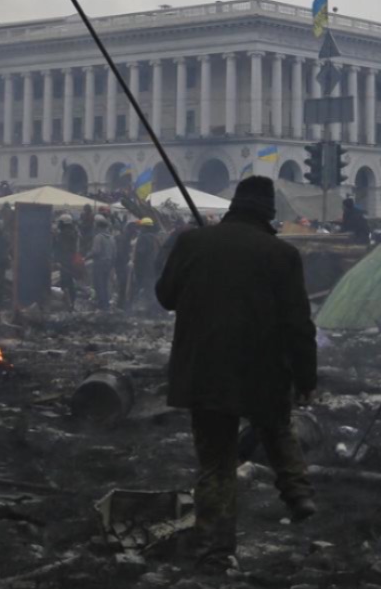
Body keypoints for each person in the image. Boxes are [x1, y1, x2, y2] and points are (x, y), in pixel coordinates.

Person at [155, 176, 318, 567]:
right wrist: (306, 378)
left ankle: (215, 548)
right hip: (262, 367)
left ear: (233, 205)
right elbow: (298, 325)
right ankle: (299, 495)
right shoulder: (281, 255)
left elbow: (166, 297)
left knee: (216, 462)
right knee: (276, 426)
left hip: (206, 367)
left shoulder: (193, 242)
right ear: (269, 213)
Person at [128, 218, 159, 313]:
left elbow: (140, 254)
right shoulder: (155, 238)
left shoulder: (143, 238)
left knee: (147, 289)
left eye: (141, 227)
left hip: (145, 268)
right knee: (151, 289)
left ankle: (151, 311)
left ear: (144, 227)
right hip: (154, 268)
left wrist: (137, 268)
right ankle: (155, 310)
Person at [52, 214, 81, 309]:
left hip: (65, 262)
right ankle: (71, 302)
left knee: (66, 283)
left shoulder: (64, 234)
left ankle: (68, 304)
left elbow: (61, 249)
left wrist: (57, 260)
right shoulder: (73, 233)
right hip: (70, 261)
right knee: (69, 282)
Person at [88, 221, 118, 311]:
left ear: (99, 227)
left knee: (98, 284)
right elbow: (114, 254)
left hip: (99, 264)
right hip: (108, 264)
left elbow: (96, 251)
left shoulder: (98, 237)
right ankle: (106, 304)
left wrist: (87, 256)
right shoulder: (112, 238)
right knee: (105, 284)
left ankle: (101, 304)